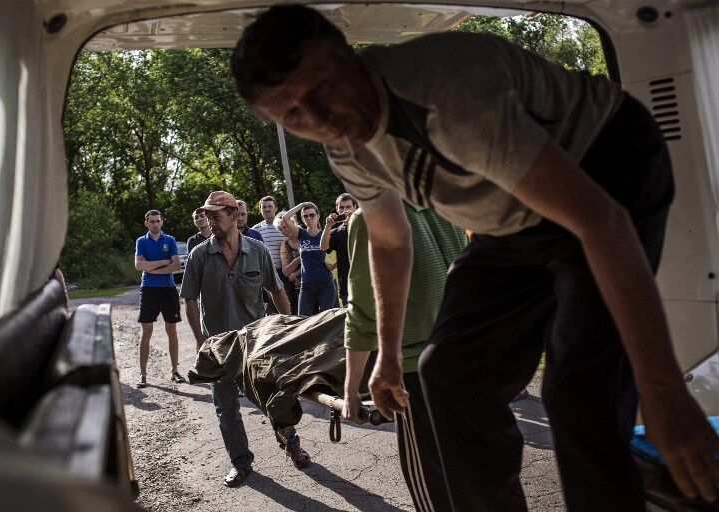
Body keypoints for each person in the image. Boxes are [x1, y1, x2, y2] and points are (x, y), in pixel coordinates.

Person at [231, 5, 719, 510]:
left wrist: (664, 393)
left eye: (320, 86)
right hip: (512, 211)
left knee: (581, 393)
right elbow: (391, 242)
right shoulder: (347, 148)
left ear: (348, 56)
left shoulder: (446, 95)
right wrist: (391, 356)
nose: (319, 118)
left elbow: (602, 223)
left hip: (602, 169)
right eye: (291, 115)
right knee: (448, 375)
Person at [180, 191, 309, 488]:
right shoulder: (199, 254)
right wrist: (202, 341)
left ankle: (291, 445)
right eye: (208, 215)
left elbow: (276, 291)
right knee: (226, 408)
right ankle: (240, 462)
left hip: (258, 342)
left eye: (216, 215)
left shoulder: (257, 250)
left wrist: (286, 329)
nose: (210, 220)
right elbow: (188, 300)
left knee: (276, 396)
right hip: (220, 348)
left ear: (234, 215)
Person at [344, 203, 466, 512]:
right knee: (472, 467)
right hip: (465, 354)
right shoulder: (442, 198)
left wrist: (350, 390)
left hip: (414, 370)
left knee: (431, 481)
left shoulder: (371, 214)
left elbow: (363, 312)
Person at [134, 210, 185, 388]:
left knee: (171, 329)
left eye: (158, 221)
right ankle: (143, 375)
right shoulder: (141, 241)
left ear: (162, 222)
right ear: (146, 223)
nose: (155, 224)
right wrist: (164, 262)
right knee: (146, 330)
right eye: (152, 221)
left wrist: (152, 268)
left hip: (168, 289)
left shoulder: (170, 240)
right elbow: (139, 265)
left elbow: (177, 265)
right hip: (148, 289)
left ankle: (174, 371)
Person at [282, 202, 336, 316]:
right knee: (302, 319)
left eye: (312, 215)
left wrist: (332, 266)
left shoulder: (325, 234)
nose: (309, 218)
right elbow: (285, 218)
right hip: (307, 284)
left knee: (326, 320)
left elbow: (342, 253)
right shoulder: (300, 233)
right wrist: (301, 205)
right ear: (302, 218)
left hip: (325, 284)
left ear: (318, 216)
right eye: (305, 216)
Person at [252, 195, 290, 314]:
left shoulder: (285, 226)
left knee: (288, 307)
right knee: (271, 310)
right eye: (264, 207)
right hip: (266, 274)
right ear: (261, 210)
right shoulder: (256, 230)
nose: (267, 209)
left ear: (276, 208)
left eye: (270, 206)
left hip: (285, 273)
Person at [320, 193, 357, 306]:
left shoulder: (365, 226)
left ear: (355, 207)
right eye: (341, 207)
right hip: (346, 284)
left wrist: (354, 221)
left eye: (348, 207)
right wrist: (328, 226)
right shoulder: (336, 232)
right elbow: (323, 247)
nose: (345, 210)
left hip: (367, 283)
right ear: (337, 209)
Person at [274, 213, 301, 315]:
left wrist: (296, 272)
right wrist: (300, 258)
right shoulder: (284, 245)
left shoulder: (307, 236)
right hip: (298, 288)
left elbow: (318, 261)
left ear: (292, 222)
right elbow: (285, 271)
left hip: (320, 283)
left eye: (285, 227)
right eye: (280, 229)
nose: (284, 231)